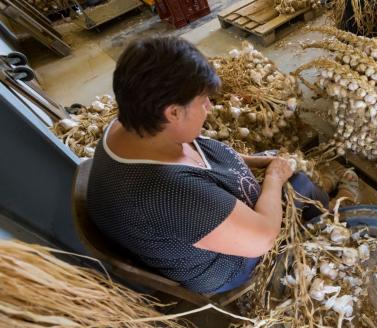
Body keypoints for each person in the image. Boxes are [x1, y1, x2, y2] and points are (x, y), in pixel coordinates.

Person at [86, 36, 358, 295]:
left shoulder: (133, 122)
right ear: (173, 112)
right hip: (228, 262)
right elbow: (262, 238)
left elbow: (200, 153)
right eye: (202, 102)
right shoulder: (166, 192)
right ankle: (338, 216)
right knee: (298, 183)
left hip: (197, 216)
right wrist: (273, 178)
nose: (210, 108)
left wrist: (255, 161)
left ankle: (323, 197)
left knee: (280, 160)